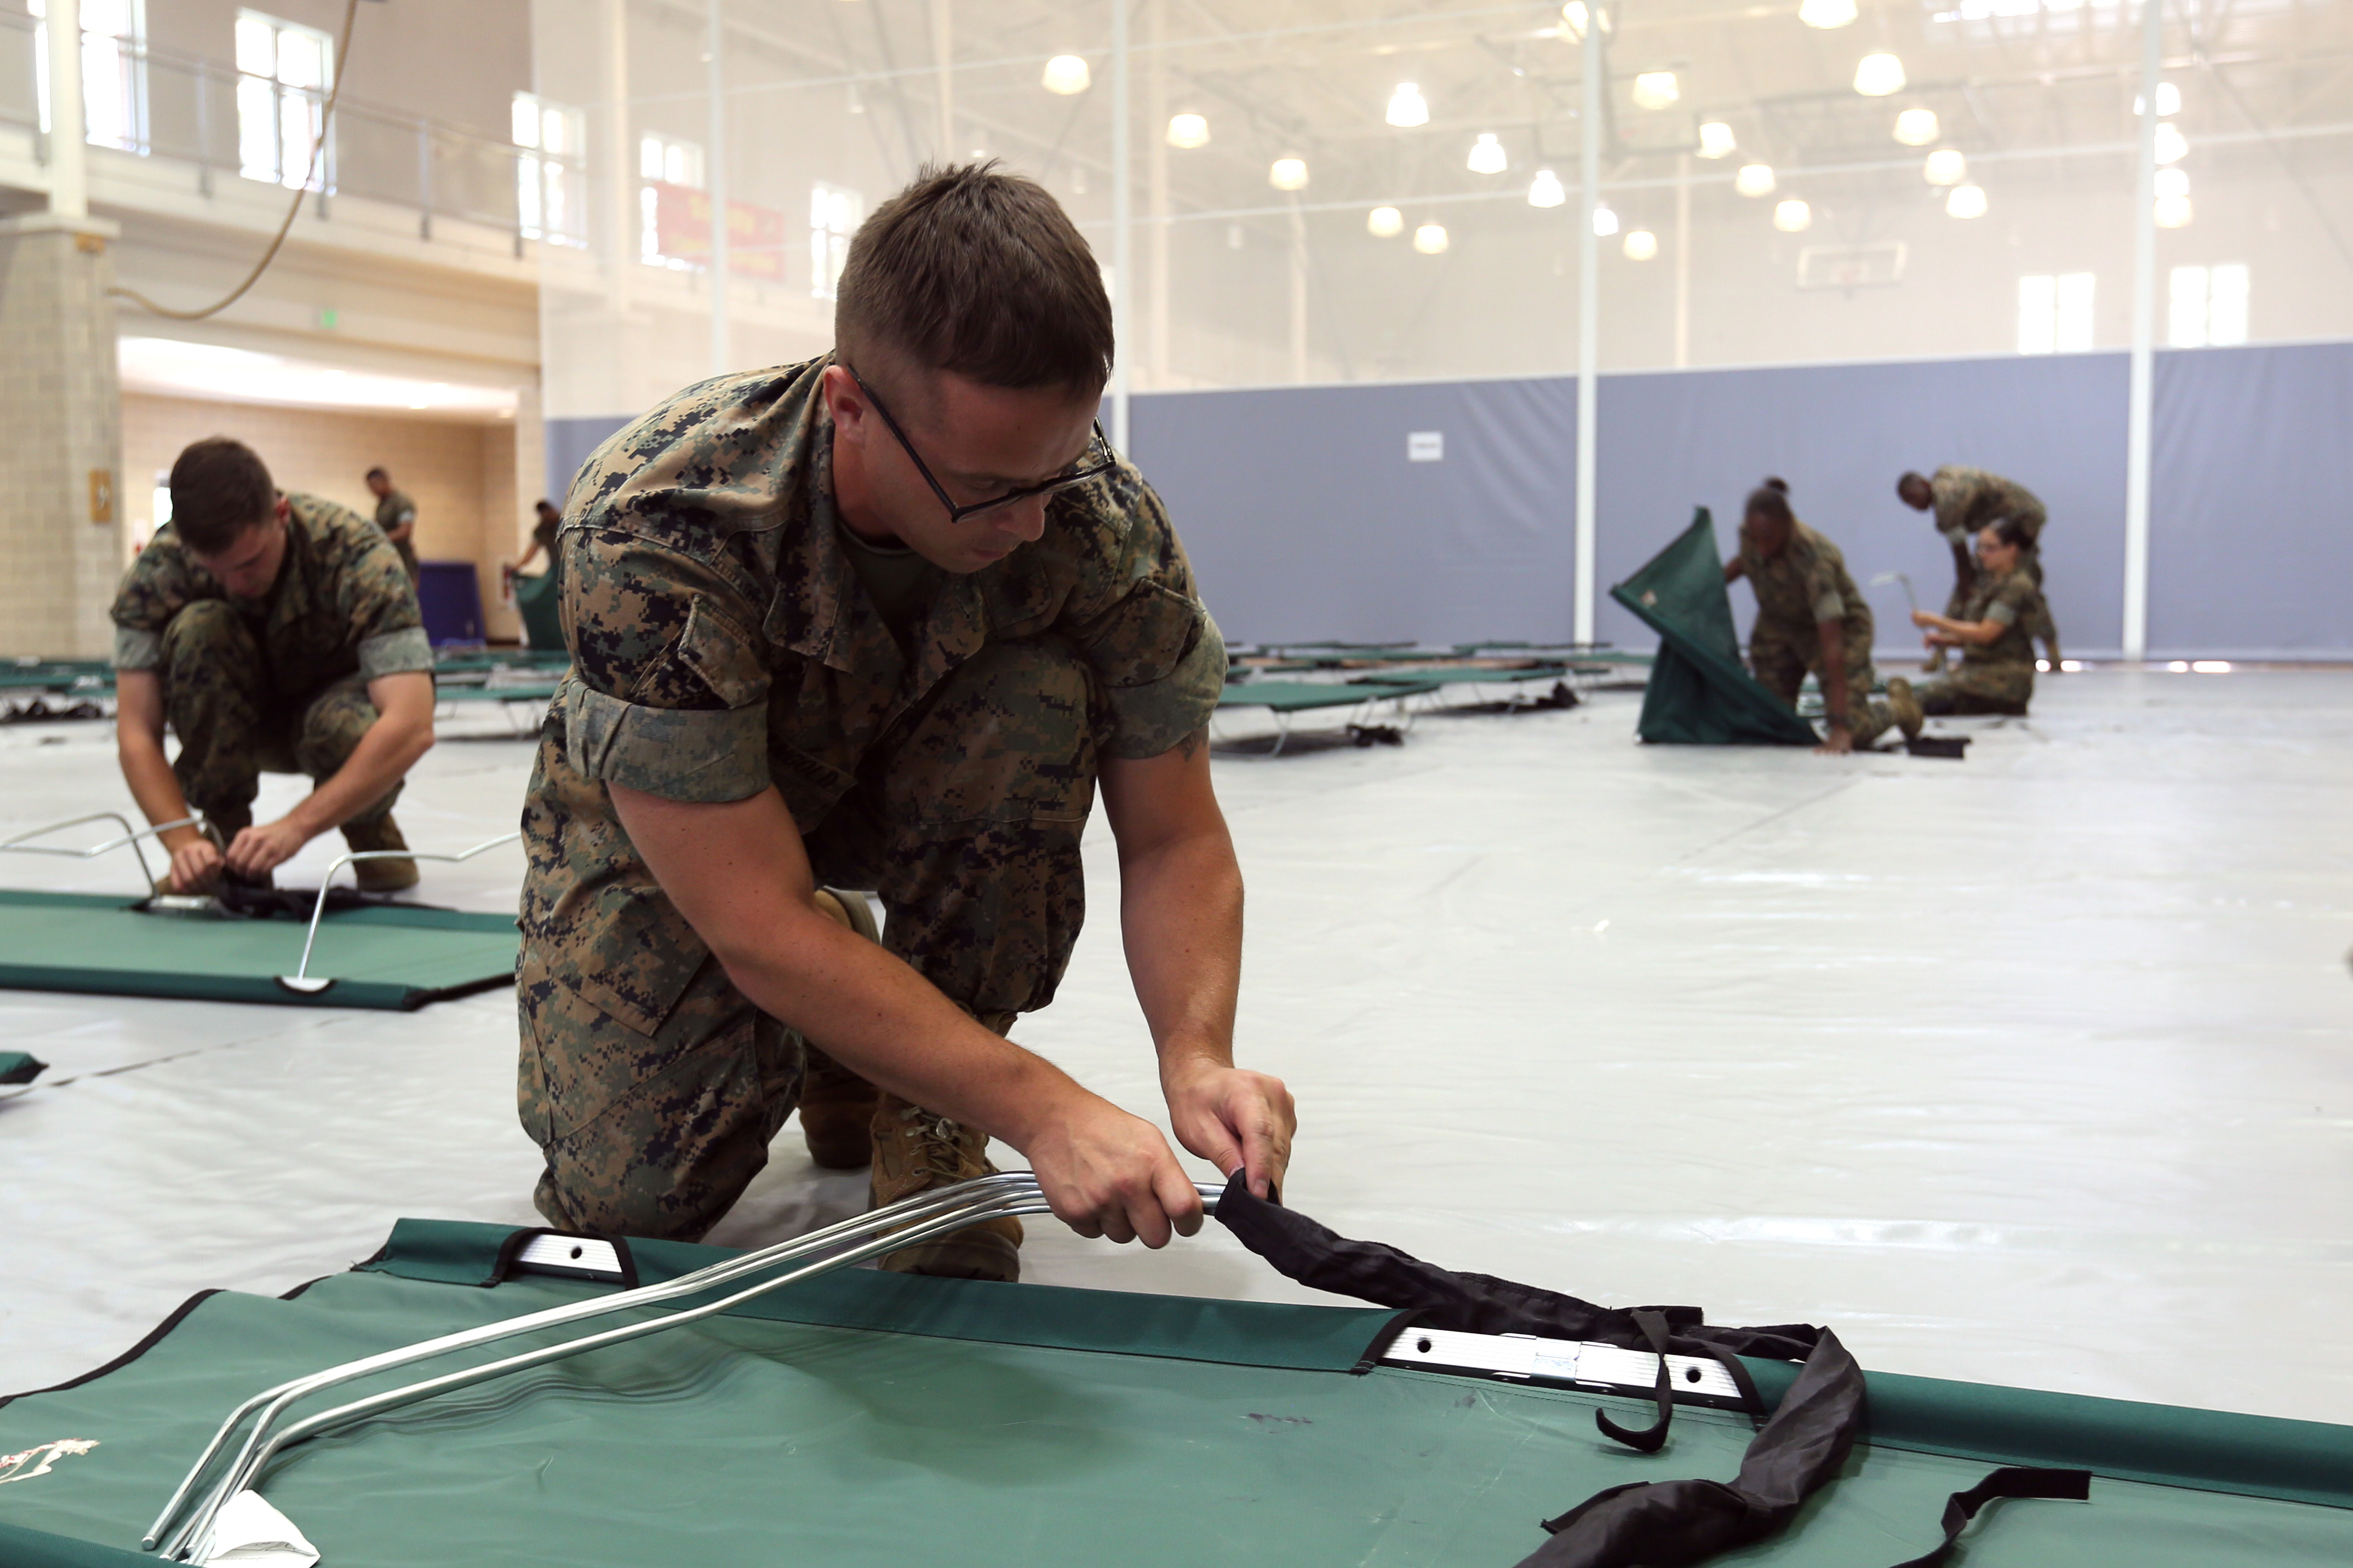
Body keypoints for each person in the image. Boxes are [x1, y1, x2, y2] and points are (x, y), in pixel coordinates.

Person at [516, 163, 1295, 1283]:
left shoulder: (1094, 520)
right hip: (696, 831)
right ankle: (849, 1007)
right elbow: (753, 917)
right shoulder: (660, 523)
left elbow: (1173, 833)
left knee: (1033, 697)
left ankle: (925, 1121)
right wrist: (1045, 1108)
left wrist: (1194, 1054)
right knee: (626, 1201)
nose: (1031, 522)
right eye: (987, 487)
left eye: (1056, 467)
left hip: (918, 783)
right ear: (849, 409)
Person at [111, 438, 437, 896]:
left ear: (281, 514)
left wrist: (296, 827)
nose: (236, 584)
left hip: (331, 718)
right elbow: (136, 733)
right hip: (234, 720)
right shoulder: (158, 571)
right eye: (216, 570)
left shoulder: (357, 554)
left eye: (248, 563)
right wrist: (181, 841)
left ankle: (370, 834)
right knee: (199, 628)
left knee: (348, 725)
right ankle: (223, 845)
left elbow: (411, 724)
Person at [1723, 479, 1910, 755]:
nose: (1762, 548)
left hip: (1839, 630)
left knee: (1855, 732)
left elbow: (1832, 649)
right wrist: (1712, 584)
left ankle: (1899, 708)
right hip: (1781, 625)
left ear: (1788, 522)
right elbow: (1744, 560)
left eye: (1770, 540)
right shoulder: (1752, 533)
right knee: (1769, 722)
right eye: (1756, 539)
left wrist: (1839, 728)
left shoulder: (1815, 559)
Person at [1897, 466, 2060, 671]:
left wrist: (1969, 594)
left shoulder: (1947, 504)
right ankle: (1941, 651)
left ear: (1924, 485)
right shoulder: (1943, 478)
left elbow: (1962, 562)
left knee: (2018, 585)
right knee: (2007, 584)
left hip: (2022, 521)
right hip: (2016, 517)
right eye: (1908, 503)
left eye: (1914, 497)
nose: (1914, 505)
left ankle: (2052, 653)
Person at [1907, 518, 2047, 715]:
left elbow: (1986, 634)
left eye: (1991, 548)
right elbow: (1987, 638)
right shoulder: (1991, 584)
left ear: (2012, 550)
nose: (1982, 555)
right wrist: (1948, 640)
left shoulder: (2016, 587)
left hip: (2002, 681)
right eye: (1980, 548)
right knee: (1918, 695)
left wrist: (1936, 621)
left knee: (1922, 698)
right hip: (1981, 674)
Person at [364, 466, 421, 582]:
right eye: (370, 488)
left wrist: (378, 539)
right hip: (387, 560)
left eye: (374, 486)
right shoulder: (382, 504)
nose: (373, 491)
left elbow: (405, 532)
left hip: (403, 561)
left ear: (385, 481)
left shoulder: (402, 503)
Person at [503, 499, 562, 593]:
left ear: (553, 510)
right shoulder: (543, 530)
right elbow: (531, 551)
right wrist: (517, 566)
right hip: (556, 568)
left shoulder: (565, 523)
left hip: (570, 566)